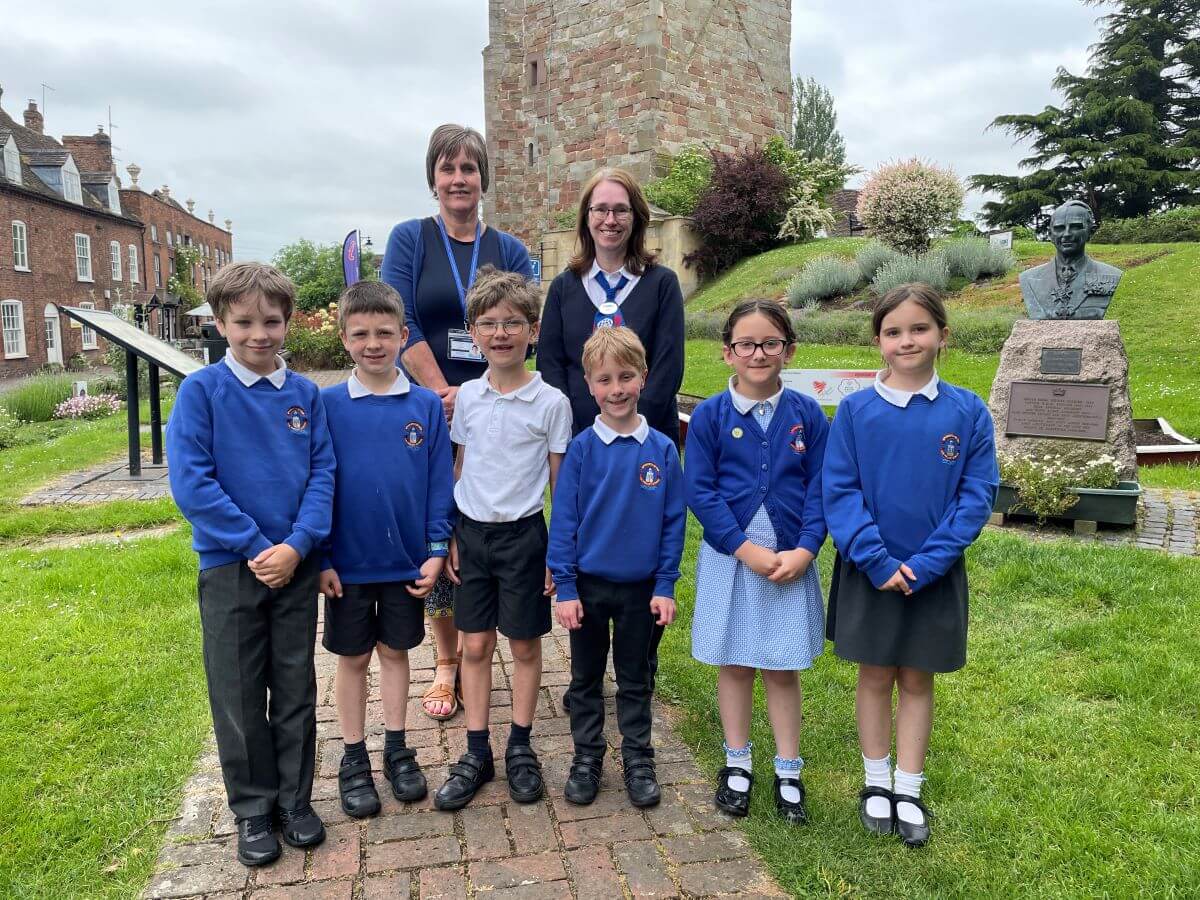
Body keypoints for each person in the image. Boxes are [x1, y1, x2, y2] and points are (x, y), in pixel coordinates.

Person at [166, 263, 336, 867]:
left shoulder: (305, 396)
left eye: (271, 320)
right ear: (220, 323)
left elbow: (323, 475)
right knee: (238, 691)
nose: (258, 333)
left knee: (294, 685)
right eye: (243, 322)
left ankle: (294, 800)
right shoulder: (202, 392)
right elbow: (192, 484)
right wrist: (254, 545)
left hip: (294, 565)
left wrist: (298, 544)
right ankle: (253, 809)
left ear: (288, 322)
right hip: (231, 567)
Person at [823, 283, 998, 848]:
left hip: (933, 574)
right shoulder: (854, 411)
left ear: (943, 335)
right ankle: (875, 783)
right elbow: (840, 492)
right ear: (878, 341)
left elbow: (976, 496)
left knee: (917, 678)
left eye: (919, 329)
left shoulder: (967, 411)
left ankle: (908, 787)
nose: (907, 340)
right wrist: (875, 559)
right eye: (894, 331)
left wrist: (927, 563)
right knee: (874, 674)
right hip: (871, 570)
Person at [381, 123, 534, 721]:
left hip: (497, 411)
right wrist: (442, 390)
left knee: (490, 524)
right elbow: (401, 319)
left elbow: (522, 322)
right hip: (429, 407)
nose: (458, 179)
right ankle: (448, 661)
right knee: (439, 529)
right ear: (433, 179)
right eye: (448, 169)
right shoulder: (410, 240)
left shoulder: (511, 250)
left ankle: (485, 643)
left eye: (469, 169)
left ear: (483, 179)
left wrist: (482, 397)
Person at [684, 299, 829, 825]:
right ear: (728, 353)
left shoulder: (807, 414)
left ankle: (788, 768)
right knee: (736, 661)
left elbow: (821, 489)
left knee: (781, 666)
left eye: (771, 343)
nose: (759, 352)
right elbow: (700, 490)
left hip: (790, 553)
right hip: (734, 556)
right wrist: (744, 549)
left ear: (789, 350)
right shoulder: (710, 417)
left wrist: (807, 548)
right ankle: (737, 761)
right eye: (747, 343)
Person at [433, 266, 573, 811]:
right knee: (474, 644)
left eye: (513, 323)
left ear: (532, 330)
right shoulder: (466, 397)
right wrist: (448, 536)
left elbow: (562, 487)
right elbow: (459, 468)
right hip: (471, 535)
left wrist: (557, 552)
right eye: (488, 323)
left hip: (524, 538)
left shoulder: (552, 403)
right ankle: (476, 750)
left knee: (523, 644)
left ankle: (519, 745)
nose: (501, 333)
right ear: (474, 333)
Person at [317, 282, 455, 818]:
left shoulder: (424, 404)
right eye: (360, 334)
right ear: (344, 338)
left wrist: (437, 549)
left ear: (402, 335)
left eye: (384, 333)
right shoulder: (326, 404)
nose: (373, 344)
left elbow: (439, 482)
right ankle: (354, 757)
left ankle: (397, 747)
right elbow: (318, 483)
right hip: (347, 565)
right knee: (352, 659)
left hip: (407, 563)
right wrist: (323, 557)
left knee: (396, 653)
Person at [548, 327, 685, 808]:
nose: (617, 388)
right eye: (605, 380)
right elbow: (563, 518)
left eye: (626, 376)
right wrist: (565, 586)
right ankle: (587, 756)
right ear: (589, 385)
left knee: (635, 678)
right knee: (585, 680)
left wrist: (665, 584)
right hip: (586, 587)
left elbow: (673, 523)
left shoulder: (663, 450)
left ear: (643, 378)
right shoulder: (582, 449)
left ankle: (638, 758)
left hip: (640, 591)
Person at [538, 167, 685, 446]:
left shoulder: (662, 284)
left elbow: (669, 368)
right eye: (601, 210)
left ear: (636, 217)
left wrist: (630, 430)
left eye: (621, 210)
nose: (610, 220)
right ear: (586, 217)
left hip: (647, 440)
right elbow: (551, 366)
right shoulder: (563, 288)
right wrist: (584, 432)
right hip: (580, 439)